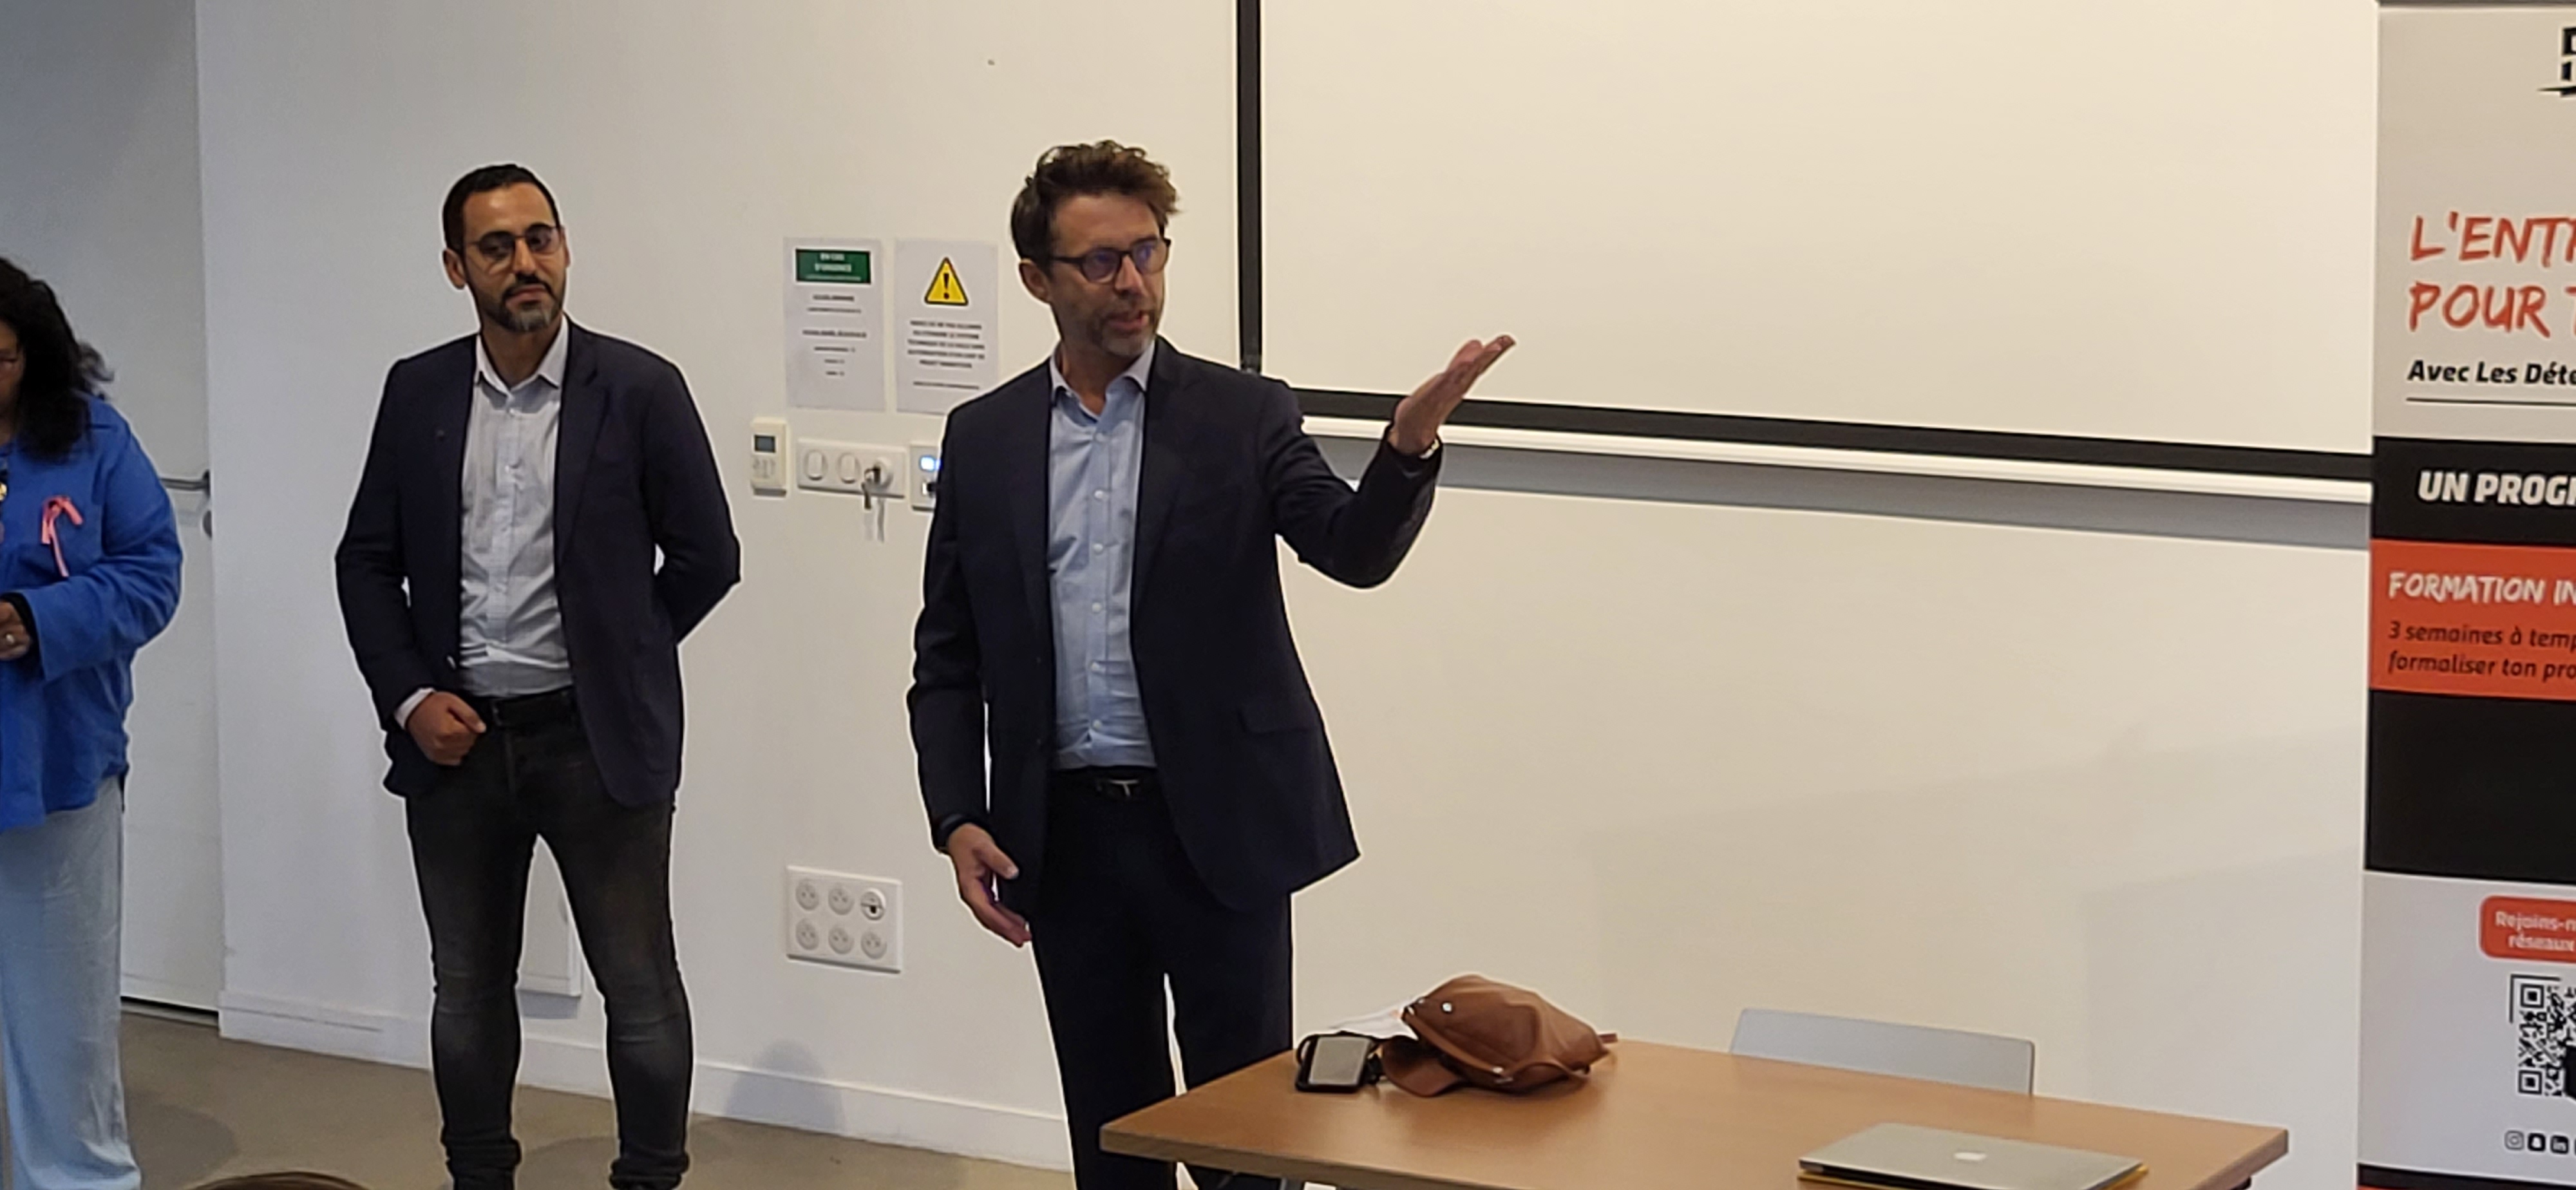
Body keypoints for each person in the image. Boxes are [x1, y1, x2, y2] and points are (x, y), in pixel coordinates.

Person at [909, 141, 1512, 1190]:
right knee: (1115, 1129)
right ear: (1037, 280)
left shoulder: (1244, 415)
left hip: (1219, 828)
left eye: (1148, 252)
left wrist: (1407, 450)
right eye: (1101, 262)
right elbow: (947, 656)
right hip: (1068, 833)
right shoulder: (987, 436)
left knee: (1246, 1137)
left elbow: (1352, 551)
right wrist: (959, 815)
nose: (1133, 282)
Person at [333, 164, 740, 1190]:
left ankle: (650, 1177)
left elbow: (707, 556)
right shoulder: (417, 390)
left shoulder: (640, 389)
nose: (526, 264)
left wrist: (624, 655)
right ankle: (480, 1177)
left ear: (564, 249)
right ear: (455, 267)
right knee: (466, 990)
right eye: (497, 247)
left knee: (639, 989)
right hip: (458, 746)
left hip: (598, 743)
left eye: (541, 238)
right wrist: (410, 696)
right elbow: (366, 561)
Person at [0, 258, 184, 1190]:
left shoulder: (95, 443)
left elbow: (153, 577)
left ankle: (76, 1178)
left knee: (60, 1021)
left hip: (55, 766)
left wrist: (37, 621)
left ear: (33, 355)